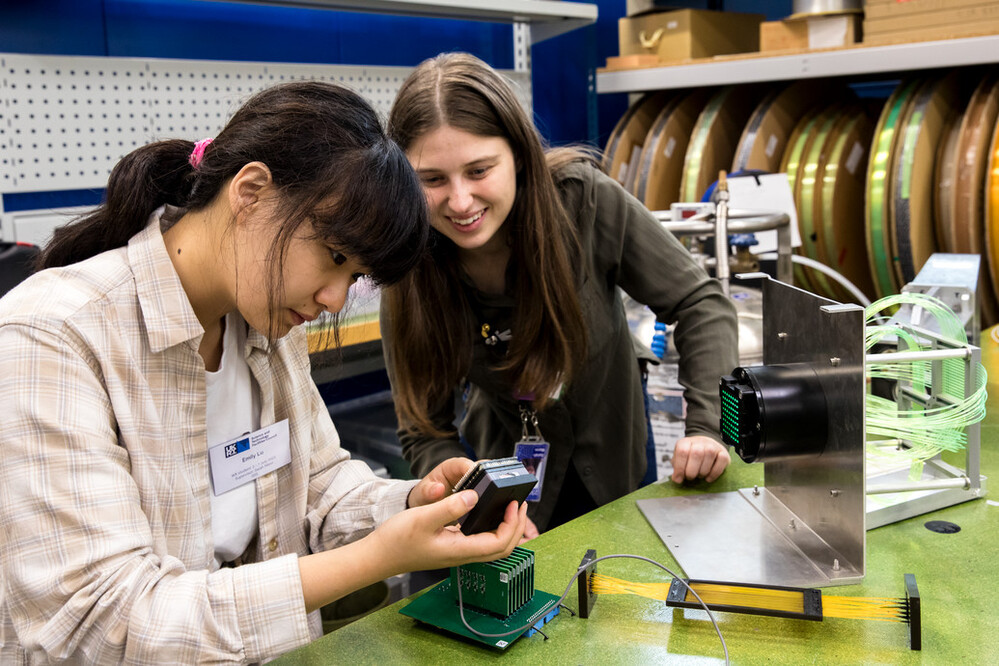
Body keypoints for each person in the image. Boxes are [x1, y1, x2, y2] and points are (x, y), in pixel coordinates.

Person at [0, 80, 526, 664]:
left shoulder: (266, 326)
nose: (333, 298)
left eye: (354, 277)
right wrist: (379, 557)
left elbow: (317, 487)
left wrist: (413, 505)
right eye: (332, 257)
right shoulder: (50, 337)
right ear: (250, 192)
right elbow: (102, 622)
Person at [380, 53, 739, 538]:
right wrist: (471, 502)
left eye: (480, 170)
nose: (460, 201)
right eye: (432, 180)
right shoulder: (409, 267)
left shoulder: (584, 201)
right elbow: (425, 429)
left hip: (615, 456)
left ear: (519, 156)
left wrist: (705, 429)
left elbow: (701, 304)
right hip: (507, 480)